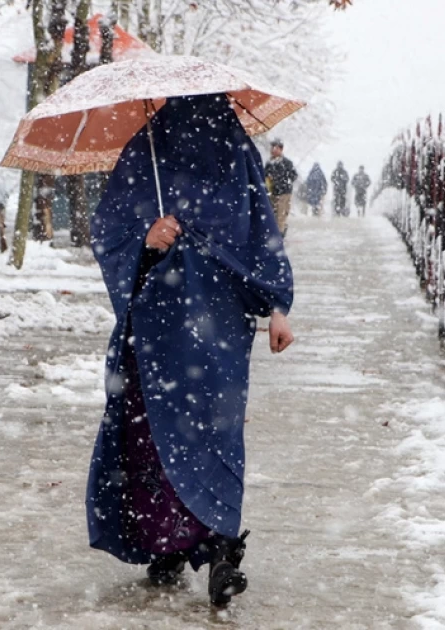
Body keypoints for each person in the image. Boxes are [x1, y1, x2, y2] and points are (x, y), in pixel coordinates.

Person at [87, 94, 295, 608]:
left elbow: (262, 233)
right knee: (156, 436)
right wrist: (147, 238)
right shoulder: (147, 153)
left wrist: (278, 305)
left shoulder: (237, 154)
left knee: (215, 433)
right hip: (158, 324)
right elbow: (109, 230)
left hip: (220, 324)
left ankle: (222, 544)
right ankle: (169, 541)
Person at [263, 139, 297, 235]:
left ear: (281, 149)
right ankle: (279, 231)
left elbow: (293, 176)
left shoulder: (287, 163)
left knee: (280, 215)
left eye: (275, 148)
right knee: (272, 214)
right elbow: (264, 175)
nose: (273, 150)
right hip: (272, 193)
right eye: (272, 147)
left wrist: (283, 181)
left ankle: (279, 234)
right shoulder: (269, 163)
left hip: (284, 193)